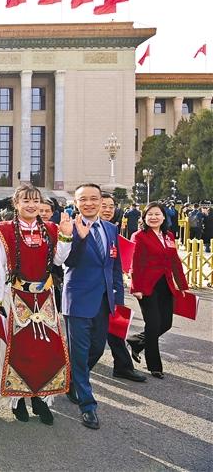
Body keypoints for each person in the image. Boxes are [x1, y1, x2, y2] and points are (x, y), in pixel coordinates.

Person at [0, 184, 73, 426]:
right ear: (16, 204)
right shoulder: (4, 230)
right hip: (16, 296)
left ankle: (40, 398)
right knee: (20, 349)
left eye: (35, 200)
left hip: (44, 297)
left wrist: (66, 236)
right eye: (26, 200)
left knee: (45, 350)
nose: (31, 205)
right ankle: (17, 400)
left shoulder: (51, 229)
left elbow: (59, 260)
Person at [62, 183, 124, 430]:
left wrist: (118, 300)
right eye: (83, 199)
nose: (89, 203)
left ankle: (72, 381)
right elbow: (68, 262)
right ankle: (87, 405)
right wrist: (79, 238)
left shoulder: (111, 228)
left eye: (93, 199)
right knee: (79, 353)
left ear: (101, 201)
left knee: (97, 348)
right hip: (78, 300)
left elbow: (114, 266)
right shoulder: (69, 228)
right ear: (76, 203)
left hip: (103, 301)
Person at [128, 203, 190, 379]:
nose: (153, 217)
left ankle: (136, 341)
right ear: (144, 218)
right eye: (150, 214)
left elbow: (175, 261)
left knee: (166, 323)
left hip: (166, 284)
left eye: (157, 214)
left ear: (164, 217)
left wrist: (182, 285)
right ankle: (154, 366)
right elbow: (135, 263)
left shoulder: (168, 235)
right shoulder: (139, 236)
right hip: (146, 286)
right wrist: (136, 287)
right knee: (153, 324)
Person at [99, 194, 146, 383]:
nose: (108, 210)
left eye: (111, 206)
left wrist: (118, 294)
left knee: (116, 330)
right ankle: (73, 376)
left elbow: (117, 267)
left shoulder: (113, 230)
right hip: (88, 293)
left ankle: (123, 367)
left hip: (111, 291)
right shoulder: (81, 229)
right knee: (88, 339)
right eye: (104, 206)